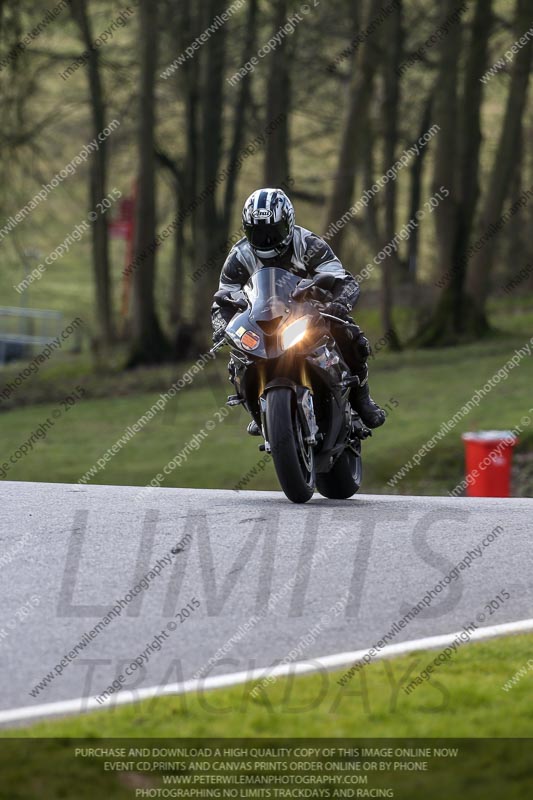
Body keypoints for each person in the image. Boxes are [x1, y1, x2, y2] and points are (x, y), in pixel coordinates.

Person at [211, 188, 386, 431]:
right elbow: (222, 299)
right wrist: (222, 327)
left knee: (350, 334)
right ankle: (257, 411)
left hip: (307, 314)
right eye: (259, 232)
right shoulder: (239, 256)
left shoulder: (309, 244)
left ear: (288, 223)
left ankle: (361, 397)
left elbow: (343, 280)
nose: (267, 239)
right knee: (237, 356)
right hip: (261, 321)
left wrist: (338, 303)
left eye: (273, 231)